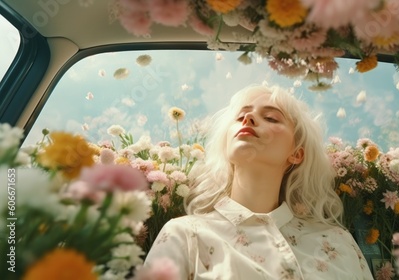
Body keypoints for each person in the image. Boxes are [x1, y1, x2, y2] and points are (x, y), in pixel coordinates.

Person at [145, 84, 373, 280]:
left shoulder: (338, 242)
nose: (248, 118)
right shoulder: (184, 234)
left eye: (271, 118)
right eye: (240, 116)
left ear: (296, 153)